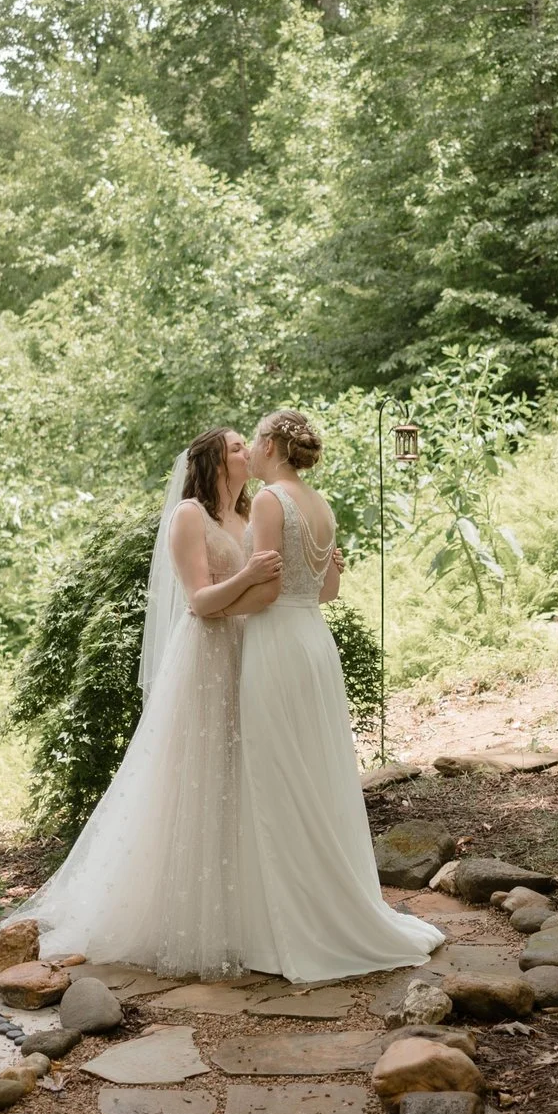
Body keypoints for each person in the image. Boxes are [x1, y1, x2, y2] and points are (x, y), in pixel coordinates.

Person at [8, 426, 283, 978]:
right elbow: (200, 601)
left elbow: (259, 593)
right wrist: (250, 573)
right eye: (234, 447)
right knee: (198, 778)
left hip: (247, 652)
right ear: (211, 462)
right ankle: (182, 916)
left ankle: (250, 917)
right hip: (206, 657)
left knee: (242, 774)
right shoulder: (190, 516)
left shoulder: (247, 519)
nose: (245, 452)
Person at [234, 409, 442, 982]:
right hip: (313, 641)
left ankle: (299, 925)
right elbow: (326, 589)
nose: (250, 449)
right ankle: (324, 904)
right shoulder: (320, 503)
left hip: (276, 641)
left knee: (279, 771)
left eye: (255, 439)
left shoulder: (272, 500)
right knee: (314, 772)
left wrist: (217, 607)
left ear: (272, 444)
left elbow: (270, 587)